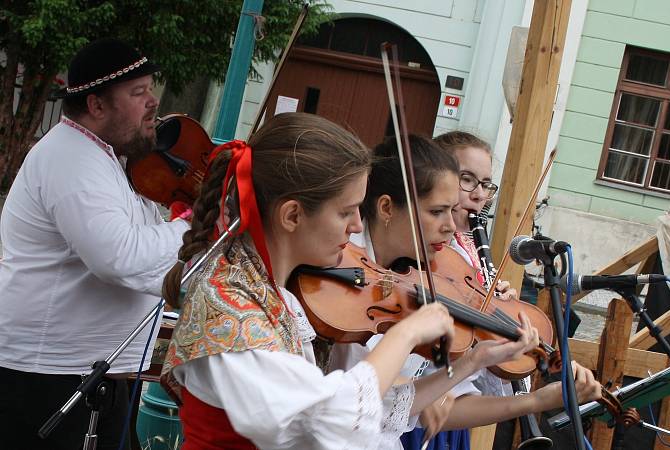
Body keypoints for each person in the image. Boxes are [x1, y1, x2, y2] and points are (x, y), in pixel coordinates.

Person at [160, 112, 512, 450]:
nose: (358, 225)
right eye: (346, 211)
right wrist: (406, 334)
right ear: (293, 215)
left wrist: (470, 362)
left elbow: (360, 406)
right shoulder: (230, 308)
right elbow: (326, 421)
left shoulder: (273, 295)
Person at [329, 135, 603, 450]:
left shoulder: (438, 268)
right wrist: (409, 381)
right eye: (438, 211)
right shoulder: (350, 276)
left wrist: (531, 395)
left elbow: (428, 398)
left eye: (485, 185)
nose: (450, 225)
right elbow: (353, 391)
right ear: (387, 207)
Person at [0, 38, 189, 449]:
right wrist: (194, 225)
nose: (152, 102)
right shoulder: (71, 159)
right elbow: (119, 258)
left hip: (92, 377)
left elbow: (148, 263)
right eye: (138, 93)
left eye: (149, 89)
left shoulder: (111, 159)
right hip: (48, 379)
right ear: (97, 105)